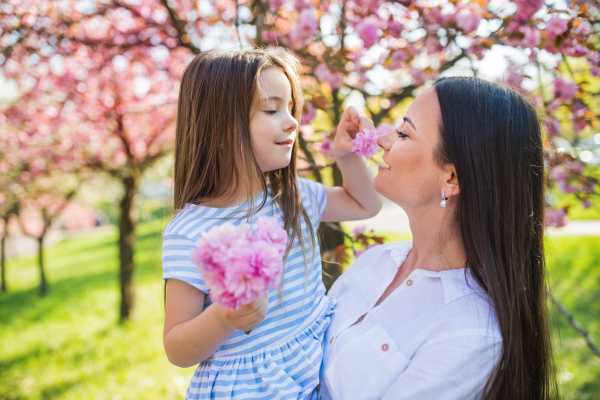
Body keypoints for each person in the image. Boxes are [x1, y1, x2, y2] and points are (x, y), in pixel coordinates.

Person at [161, 48, 382, 400]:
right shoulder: (190, 231)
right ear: (219, 123)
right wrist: (224, 318)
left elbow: (365, 204)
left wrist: (347, 157)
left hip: (324, 362)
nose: (293, 120)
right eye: (272, 109)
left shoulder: (293, 196)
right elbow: (177, 348)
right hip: (259, 388)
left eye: (291, 108)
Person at [318, 77, 555, 400]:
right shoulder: (376, 261)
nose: (384, 139)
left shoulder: (469, 333)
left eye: (404, 133)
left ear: (452, 177)